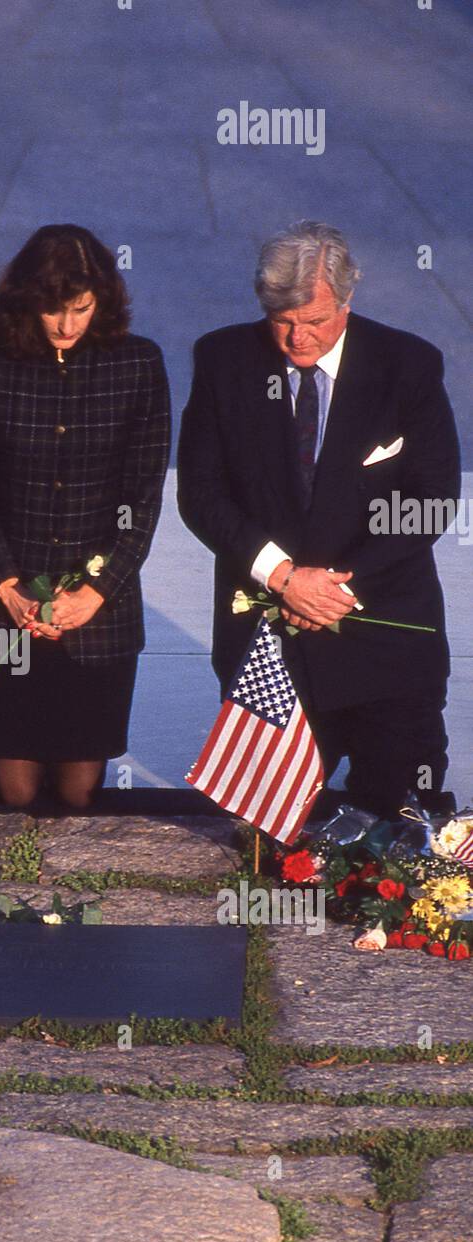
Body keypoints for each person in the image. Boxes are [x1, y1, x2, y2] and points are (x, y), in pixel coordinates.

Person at [178, 220, 461, 819]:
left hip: (386, 637)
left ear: (347, 302)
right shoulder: (223, 359)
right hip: (270, 641)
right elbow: (201, 494)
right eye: (282, 322)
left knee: (403, 827)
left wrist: (334, 585)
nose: (297, 338)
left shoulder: (408, 365)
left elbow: (431, 499)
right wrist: (283, 578)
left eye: (314, 321)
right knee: (268, 838)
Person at [0, 224, 170, 809]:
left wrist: (96, 592)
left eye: (81, 309)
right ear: (25, 303)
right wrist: (9, 588)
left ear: (104, 302)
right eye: (51, 310)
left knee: (77, 795)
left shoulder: (139, 363)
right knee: (15, 795)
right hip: (0, 608)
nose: (66, 325)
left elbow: (142, 497)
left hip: (97, 615)